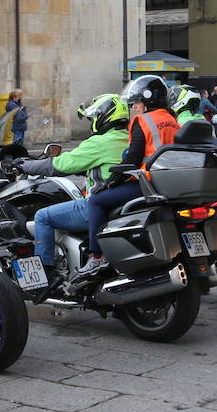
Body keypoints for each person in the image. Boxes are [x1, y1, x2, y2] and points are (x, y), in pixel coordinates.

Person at [10, 93, 129, 293]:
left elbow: (59, 164)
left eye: (93, 118)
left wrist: (25, 165)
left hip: (95, 205)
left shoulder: (99, 143)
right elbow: (106, 167)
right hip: (118, 203)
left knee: (42, 216)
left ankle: (45, 275)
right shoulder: (127, 138)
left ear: (104, 117)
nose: (92, 122)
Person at [76, 75, 179, 279]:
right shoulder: (172, 120)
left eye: (137, 102)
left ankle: (97, 256)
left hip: (149, 182)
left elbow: (133, 158)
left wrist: (114, 180)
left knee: (96, 200)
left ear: (148, 100)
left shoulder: (143, 120)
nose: (134, 107)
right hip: (170, 183)